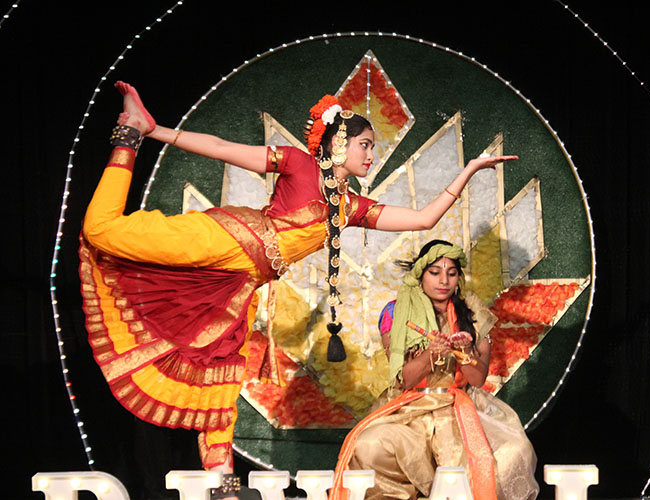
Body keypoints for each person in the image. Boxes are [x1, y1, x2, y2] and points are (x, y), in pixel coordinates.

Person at [79, 82, 518, 495]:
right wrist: (155, 131)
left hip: (240, 282)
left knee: (222, 376)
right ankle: (129, 134)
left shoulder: (349, 206)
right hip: (230, 239)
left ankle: (223, 488)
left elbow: (424, 219)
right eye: (366, 145)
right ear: (340, 142)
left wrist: (471, 171)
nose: (371, 156)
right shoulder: (297, 162)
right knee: (101, 232)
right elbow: (221, 149)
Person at [330, 240, 539, 500]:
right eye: (435, 272)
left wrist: (463, 353)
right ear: (420, 273)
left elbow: (477, 377)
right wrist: (431, 354)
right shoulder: (396, 312)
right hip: (409, 409)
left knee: (515, 451)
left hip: (457, 406)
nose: (444, 281)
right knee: (369, 444)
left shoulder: (472, 313)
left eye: (451, 274)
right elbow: (405, 379)